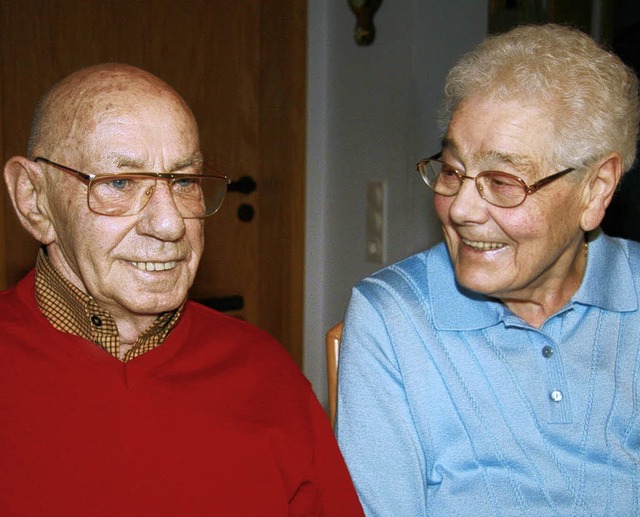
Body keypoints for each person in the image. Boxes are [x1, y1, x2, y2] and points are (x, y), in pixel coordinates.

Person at [0, 63, 363, 516]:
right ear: (35, 201)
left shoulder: (265, 372)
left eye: (184, 181)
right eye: (120, 183)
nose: (171, 224)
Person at [336, 24, 640, 516]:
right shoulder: (394, 317)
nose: (461, 209)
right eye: (453, 172)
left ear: (596, 189)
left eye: (502, 182)